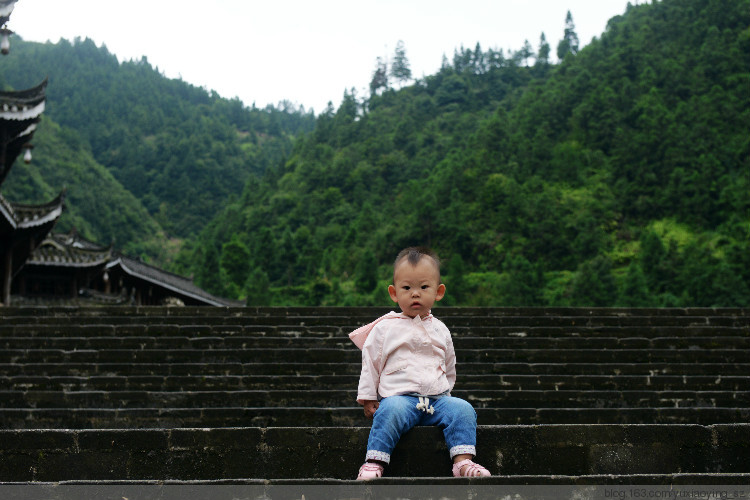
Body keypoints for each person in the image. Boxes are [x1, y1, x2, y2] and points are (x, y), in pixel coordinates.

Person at [348, 247, 491, 480]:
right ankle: (374, 462)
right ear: (394, 293)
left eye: (424, 287)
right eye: (407, 288)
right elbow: (371, 362)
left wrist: (446, 392)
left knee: (463, 409)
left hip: (437, 399)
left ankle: (463, 462)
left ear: (438, 291)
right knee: (389, 410)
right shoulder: (386, 328)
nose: (415, 294)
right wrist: (368, 396)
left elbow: (449, 365)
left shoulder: (441, 329)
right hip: (400, 398)